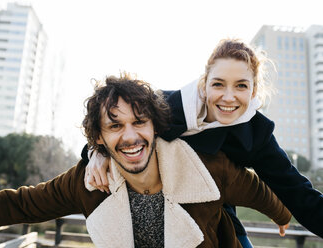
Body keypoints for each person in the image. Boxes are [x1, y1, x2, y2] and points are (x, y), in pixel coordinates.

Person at [0, 74, 291, 248]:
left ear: (155, 126)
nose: (129, 137)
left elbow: (257, 191)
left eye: (139, 122)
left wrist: (283, 214)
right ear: (98, 138)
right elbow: (15, 205)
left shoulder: (206, 167)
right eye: (115, 126)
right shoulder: (86, 181)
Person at [84, 39, 323, 246]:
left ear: (253, 92)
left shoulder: (256, 134)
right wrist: (97, 153)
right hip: (153, 210)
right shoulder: (166, 106)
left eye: (241, 85)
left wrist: (282, 213)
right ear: (204, 83)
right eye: (218, 84)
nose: (228, 97)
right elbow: (117, 131)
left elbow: (299, 193)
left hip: (214, 212)